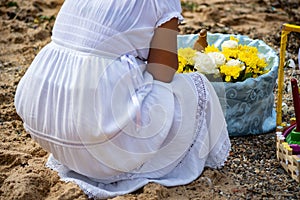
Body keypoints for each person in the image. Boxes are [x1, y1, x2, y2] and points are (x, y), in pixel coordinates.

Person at [14, 0, 231, 199]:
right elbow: (163, 72)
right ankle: (128, 163)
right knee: (196, 86)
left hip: (47, 120)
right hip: (95, 142)